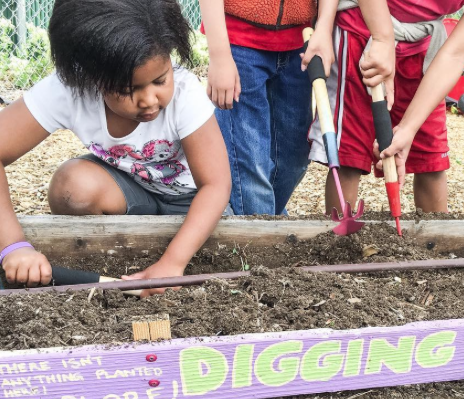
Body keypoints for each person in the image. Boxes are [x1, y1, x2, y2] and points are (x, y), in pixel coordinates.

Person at [0, 0, 231, 297]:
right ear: (89, 77)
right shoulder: (69, 90)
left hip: (189, 200)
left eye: (160, 80)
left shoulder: (186, 95)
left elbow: (216, 185)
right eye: (128, 89)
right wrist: (14, 247)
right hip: (130, 193)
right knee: (72, 187)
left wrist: (172, 262)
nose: (149, 100)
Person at [309, 0, 464, 214]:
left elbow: (455, 53)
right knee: (350, 157)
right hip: (361, 31)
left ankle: (435, 241)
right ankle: (340, 242)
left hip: (421, 47)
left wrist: (408, 128)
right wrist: (382, 38)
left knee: (431, 159)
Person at [200, 0, 337, 216]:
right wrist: (219, 55)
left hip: (300, 42)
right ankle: (258, 237)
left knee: (295, 157)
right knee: (249, 160)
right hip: (239, 42)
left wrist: (324, 26)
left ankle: (263, 217)